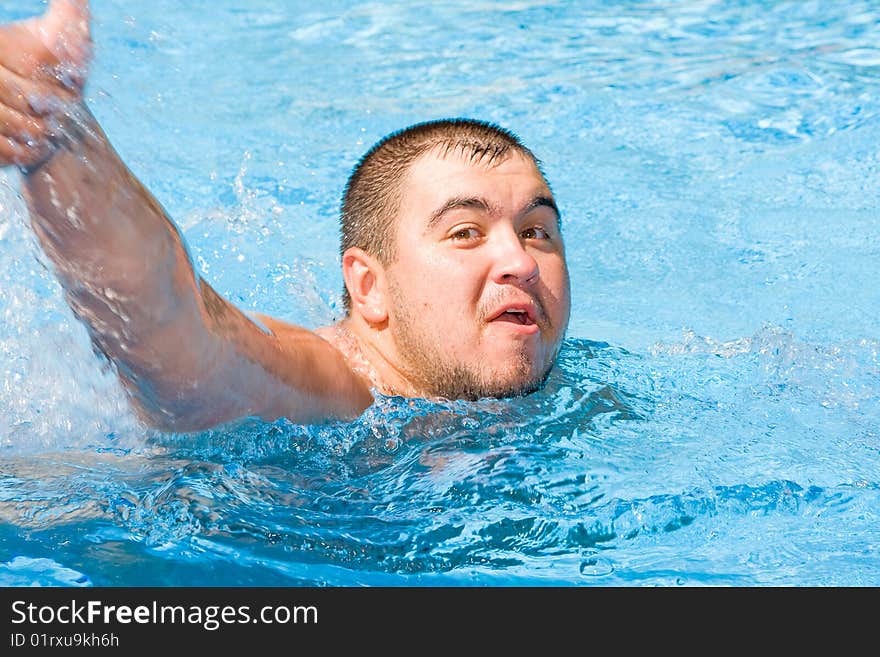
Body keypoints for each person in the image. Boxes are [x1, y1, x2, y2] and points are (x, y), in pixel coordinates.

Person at [0, 0, 571, 433]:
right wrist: (56, 132)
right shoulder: (336, 390)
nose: (520, 261)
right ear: (369, 288)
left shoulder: (576, 394)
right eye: (465, 233)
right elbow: (182, 342)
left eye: (536, 231)